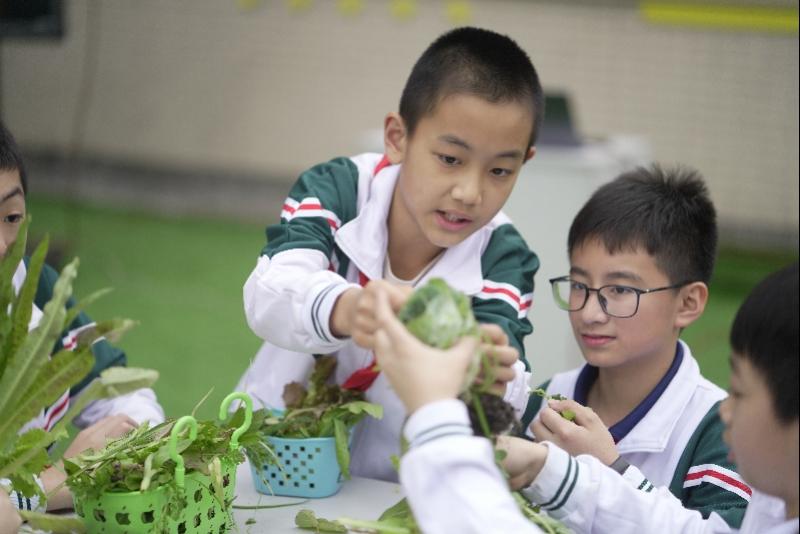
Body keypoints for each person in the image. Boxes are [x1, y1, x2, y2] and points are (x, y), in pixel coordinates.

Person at [236, 26, 543, 481]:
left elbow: (509, 378)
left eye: (500, 170)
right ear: (398, 138)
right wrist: (345, 307)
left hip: (397, 489)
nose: (470, 192)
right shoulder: (338, 189)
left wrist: (497, 379)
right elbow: (268, 295)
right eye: (450, 159)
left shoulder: (504, 254)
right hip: (274, 458)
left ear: (524, 162)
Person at [371, 262, 798, 534]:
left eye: (740, 391)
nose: (592, 312)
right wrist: (546, 466)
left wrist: (435, 416)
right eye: (579, 285)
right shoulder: (777, 504)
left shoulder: (707, 429)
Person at [516, 165, 752, 526]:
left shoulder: (720, 432)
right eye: (579, 285)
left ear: (688, 303)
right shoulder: (548, 400)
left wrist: (613, 469)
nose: (590, 312)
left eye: (621, 290)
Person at [0, 120, 165, 512]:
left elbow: (116, 390)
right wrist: (61, 477)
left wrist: (132, 439)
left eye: (10, 217)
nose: (3, 246)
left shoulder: (35, 287)